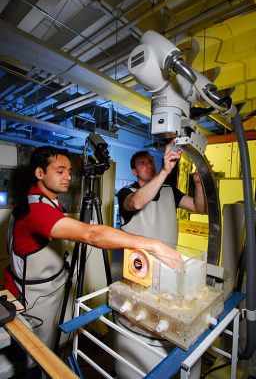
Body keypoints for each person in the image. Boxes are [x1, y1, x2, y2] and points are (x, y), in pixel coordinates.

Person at [3, 145, 182, 350]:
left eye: (69, 171)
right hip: (30, 297)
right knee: (35, 354)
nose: (68, 177)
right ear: (40, 173)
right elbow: (92, 234)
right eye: (60, 171)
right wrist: (155, 246)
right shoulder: (36, 210)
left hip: (47, 290)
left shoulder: (45, 202)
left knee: (51, 344)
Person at [118, 141, 207, 246]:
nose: (149, 165)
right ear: (134, 172)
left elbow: (199, 208)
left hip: (168, 259)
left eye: (151, 161)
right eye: (143, 163)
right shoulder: (126, 192)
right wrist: (164, 171)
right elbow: (136, 203)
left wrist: (198, 184)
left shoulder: (169, 190)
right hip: (139, 260)